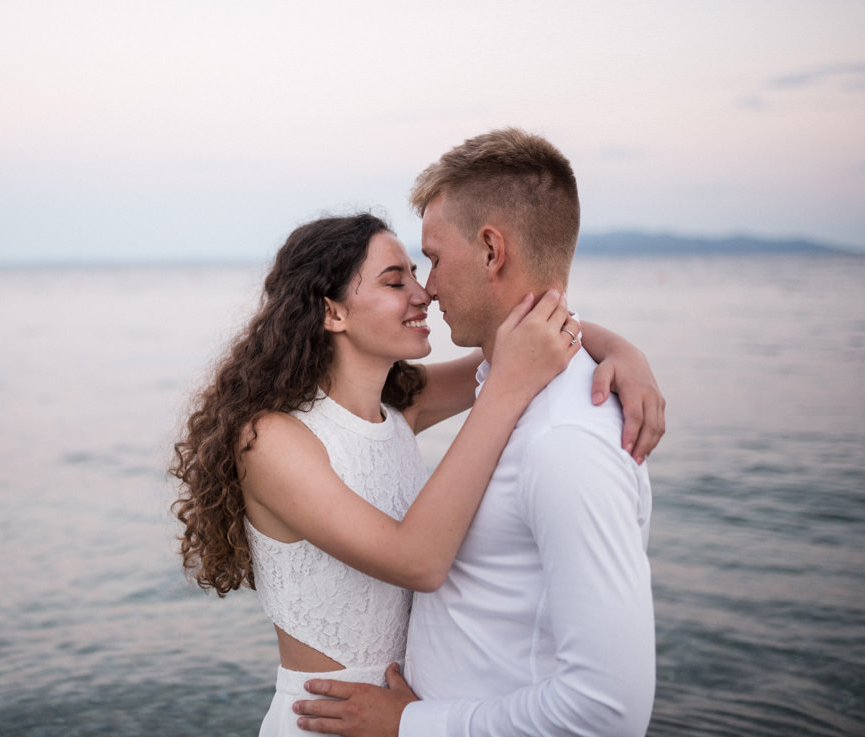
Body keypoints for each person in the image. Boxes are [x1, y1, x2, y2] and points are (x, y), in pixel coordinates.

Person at [169, 212, 664, 737]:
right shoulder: (270, 440)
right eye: (394, 280)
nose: (423, 293)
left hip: (404, 717)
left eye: (417, 270)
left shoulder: (401, 406)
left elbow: (529, 343)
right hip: (325, 721)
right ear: (332, 311)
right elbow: (418, 561)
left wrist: (624, 354)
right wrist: (509, 386)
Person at [293, 129, 658, 736]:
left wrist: (412, 725)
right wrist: (616, 344)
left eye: (432, 259)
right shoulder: (503, 386)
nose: (426, 289)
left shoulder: (565, 439)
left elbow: (608, 712)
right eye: (400, 277)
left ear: (492, 250)